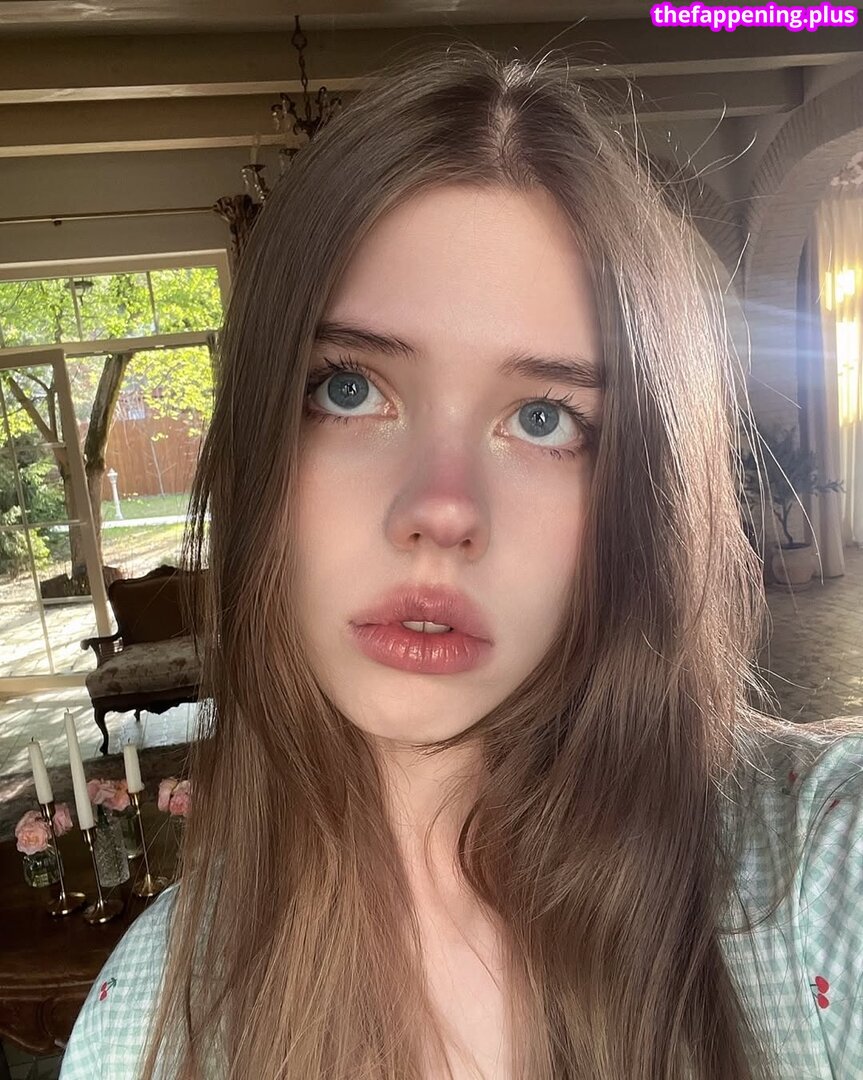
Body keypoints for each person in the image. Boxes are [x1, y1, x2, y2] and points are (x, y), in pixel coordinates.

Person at [60, 40, 863, 1080]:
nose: (438, 512)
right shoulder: (145, 1021)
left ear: (637, 490)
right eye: (347, 389)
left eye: (543, 417)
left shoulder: (818, 879)